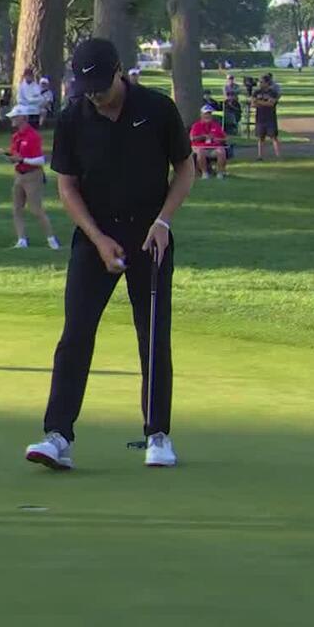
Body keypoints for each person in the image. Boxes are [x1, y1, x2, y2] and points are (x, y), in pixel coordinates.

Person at [25, 37, 196, 472]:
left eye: (102, 86)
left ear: (119, 71)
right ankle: (58, 435)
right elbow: (66, 186)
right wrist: (97, 238)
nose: (97, 96)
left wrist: (164, 222)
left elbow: (185, 169)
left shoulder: (157, 110)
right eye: (88, 89)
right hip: (94, 236)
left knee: (152, 335)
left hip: (150, 235)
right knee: (76, 334)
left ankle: (157, 434)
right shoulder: (73, 118)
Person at [7, 107, 59, 250]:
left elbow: (40, 160)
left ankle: (51, 239)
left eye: (14, 117)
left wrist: (22, 160)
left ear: (23, 118)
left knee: (36, 209)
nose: (12, 119)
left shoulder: (33, 136)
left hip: (32, 175)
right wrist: (13, 159)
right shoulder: (16, 136)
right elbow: (15, 154)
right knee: (17, 208)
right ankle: (21, 239)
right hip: (19, 174)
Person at [189, 104, 229, 179]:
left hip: (214, 148)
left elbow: (225, 138)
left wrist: (216, 139)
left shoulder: (216, 125)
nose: (208, 116)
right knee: (201, 152)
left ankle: (220, 173)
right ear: (202, 115)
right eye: (206, 114)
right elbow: (192, 138)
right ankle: (205, 173)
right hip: (201, 147)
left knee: (221, 151)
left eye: (209, 113)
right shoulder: (196, 126)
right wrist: (203, 137)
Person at [253, 72, 282, 161]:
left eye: (262, 82)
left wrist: (259, 102)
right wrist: (263, 103)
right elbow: (253, 104)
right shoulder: (256, 92)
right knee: (260, 137)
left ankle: (278, 156)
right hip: (260, 118)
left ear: (266, 83)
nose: (260, 84)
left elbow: (271, 103)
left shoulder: (272, 92)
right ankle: (260, 156)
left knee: (273, 137)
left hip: (270, 117)